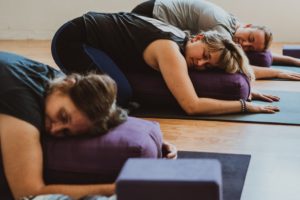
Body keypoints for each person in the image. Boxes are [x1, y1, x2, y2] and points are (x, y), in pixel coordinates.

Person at [0, 51, 177, 199]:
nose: (54, 129)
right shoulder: (20, 101)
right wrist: (120, 188)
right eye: (63, 116)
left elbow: (109, 113)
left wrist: (155, 141)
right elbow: (28, 193)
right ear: (67, 84)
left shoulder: (59, 84)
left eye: (65, 132)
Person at [52, 11, 280, 116]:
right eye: (205, 56)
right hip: (73, 40)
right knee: (118, 94)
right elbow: (192, 106)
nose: (200, 64)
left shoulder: (183, 39)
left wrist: (250, 88)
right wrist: (244, 106)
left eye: (208, 66)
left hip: (95, 39)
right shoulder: (171, 50)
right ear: (199, 37)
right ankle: (55, 87)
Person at [132, 0, 300, 72]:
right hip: (150, 15)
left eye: (250, 48)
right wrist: (278, 73)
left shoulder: (232, 23)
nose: (245, 45)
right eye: (250, 38)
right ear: (247, 25)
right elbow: (239, 67)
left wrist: (294, 61)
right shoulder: (222, 28)